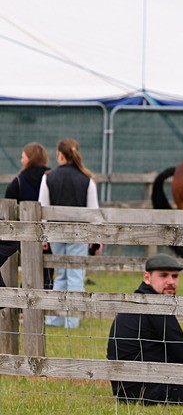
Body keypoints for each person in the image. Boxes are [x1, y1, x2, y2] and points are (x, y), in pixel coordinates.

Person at [106, 254, 183, 404]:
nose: (171, 281)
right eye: (163, 276)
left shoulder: (140, 300)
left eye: (175, 276)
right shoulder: (154, 305)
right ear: (147, 277)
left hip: (129, 388)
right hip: (147, 390)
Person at [38, 139, 99, 329]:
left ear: (60, 155)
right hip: (79, 234)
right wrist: (96, 239)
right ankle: (71, 320)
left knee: (61, 275)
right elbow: (94, 212)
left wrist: (43, 236)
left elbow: (42, 208)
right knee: (75, 276)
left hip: (56, 233)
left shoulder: (48, 177)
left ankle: (55, 319)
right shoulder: (87, 179)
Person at [1, 142, 52, 288]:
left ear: (30, 158)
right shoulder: (51, 177)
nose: (21, 160)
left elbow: (8, 207)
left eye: (23, 157)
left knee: (27, 266)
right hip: (48, 232)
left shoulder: (18, 182)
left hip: (23, 234)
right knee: (48, 269)